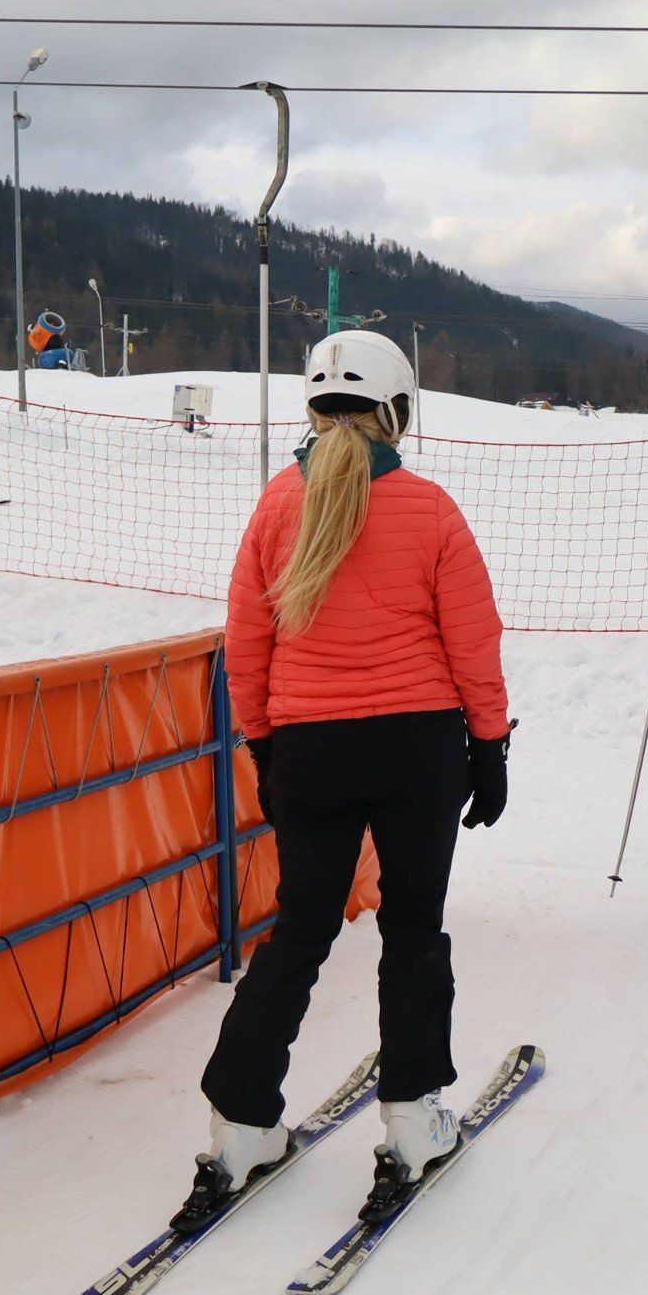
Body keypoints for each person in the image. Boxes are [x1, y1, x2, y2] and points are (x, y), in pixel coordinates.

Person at [181, 328, 512, 1222]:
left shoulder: (274, 508)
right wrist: (490, 747)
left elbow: (245, 647)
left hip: (312, 750)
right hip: (418, 748)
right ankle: (412, 1121)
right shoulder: (432, 509)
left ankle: (242, 1124)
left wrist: (263, 745)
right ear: (395, 409)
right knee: (413, 930)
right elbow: (471, 643)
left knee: (301, 931)